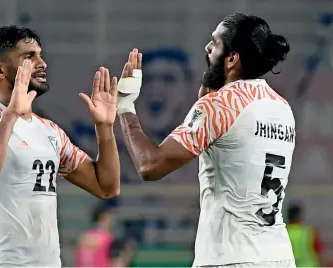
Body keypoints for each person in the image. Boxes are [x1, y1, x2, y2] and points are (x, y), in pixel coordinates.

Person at [116, 13, 296, 267]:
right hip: (279, 254)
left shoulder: (220, 105)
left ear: (232, 58)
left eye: (215, 43)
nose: (207, 48)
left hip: (231, 257)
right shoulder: (282, 106)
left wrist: (124, 105)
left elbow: (150, 165)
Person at [0, 25, 120, 267]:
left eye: (40, 54)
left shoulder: (49, 131)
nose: (42, 63)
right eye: (29, 56)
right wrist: (11, 114)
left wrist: (105, 127)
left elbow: (105, 187)